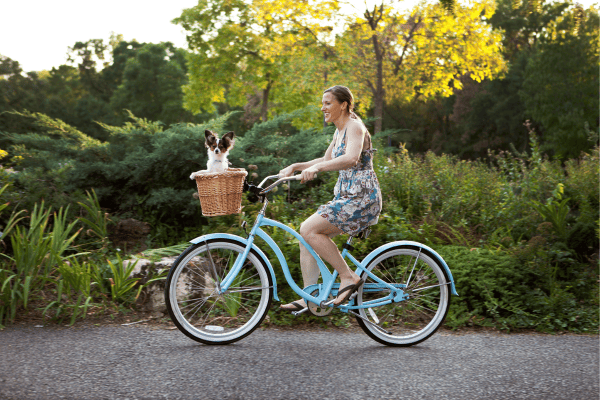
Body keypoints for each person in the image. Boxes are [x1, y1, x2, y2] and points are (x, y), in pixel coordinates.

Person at [279, 85, 382, 310]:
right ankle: (311, 297)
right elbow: (323, 159)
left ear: (343, 105)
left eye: (328, 103)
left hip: (362, 199)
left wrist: (318, 169)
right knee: (306, 236)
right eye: (323, 103)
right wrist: (296, 166)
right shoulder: (339, 131)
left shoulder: (355, 126)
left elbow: (351, 158)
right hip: (347, 197)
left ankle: (348, 277)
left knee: (308, 228)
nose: (323, 107)